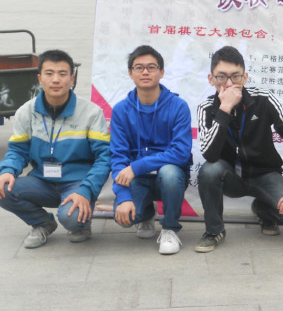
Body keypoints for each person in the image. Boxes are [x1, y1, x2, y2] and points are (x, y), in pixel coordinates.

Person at [196, 46, 283, 252]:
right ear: (211, 79)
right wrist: (224, 108)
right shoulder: (206, 108)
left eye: (235, 76)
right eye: (221, 77)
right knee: (209, 170)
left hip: (264, 174)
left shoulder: (263, 99)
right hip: (229, 176)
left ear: (245, 77)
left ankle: (264, 210)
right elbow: (209, 154)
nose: (229, 84)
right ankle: (214, 231)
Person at [0, 50, 110, 248]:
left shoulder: (91, 112)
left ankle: (81, 222)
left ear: (72, 79)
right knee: (1, 187)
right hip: (42, 180)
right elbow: (17, 151)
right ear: (39, 79)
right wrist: (7, 170)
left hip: (78, 181)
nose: (56, 80)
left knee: (71, 218)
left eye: (62, 73)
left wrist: (86, 189)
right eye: (49, 74)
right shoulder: (26, 111)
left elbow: (104, 157)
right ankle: (42, 223)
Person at [109, 45, 193, 255]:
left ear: (161, 72)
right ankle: (145, 214)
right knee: (124, 218)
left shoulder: (178, 106)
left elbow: (181, 152)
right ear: (131, 73)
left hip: (169, 176)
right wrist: (124, 197)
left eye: (151, 67)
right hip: (138, 179)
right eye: (139, 67)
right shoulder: (121, 110)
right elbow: (118, 158)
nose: (145, 72)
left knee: (170, 172)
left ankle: (170, 228)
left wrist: (137, 166)